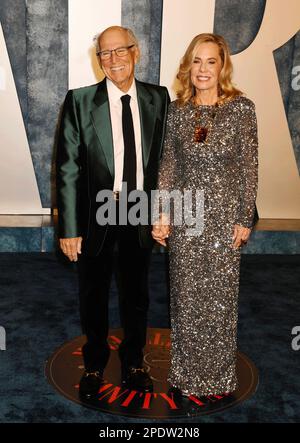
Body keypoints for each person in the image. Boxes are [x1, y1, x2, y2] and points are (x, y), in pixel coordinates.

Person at [56, 25, 170, 398]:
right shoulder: (80, 100)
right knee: (94, 291)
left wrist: (164, 212)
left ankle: (135, 362)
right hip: (96, 212)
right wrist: (69, 227)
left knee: (136, 292)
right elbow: (68, 169)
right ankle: (93, 365)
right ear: (98, 59)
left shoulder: (159, 98)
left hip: (140, 207)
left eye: (121, 50)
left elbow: (168, 163)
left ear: (135, 52)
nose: (113, 59)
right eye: (105, 53)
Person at [152, 33, 258, 397]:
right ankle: (185, 374)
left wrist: (245, 217)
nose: (203, 69)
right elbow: (168, 165)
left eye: (210, 61)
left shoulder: (241, 108)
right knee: (184, 295)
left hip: (224, 219)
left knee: (220, 299)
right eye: (197, 61)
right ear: (188, 66)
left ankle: (217, 376)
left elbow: (249, 166)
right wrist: (161, 213)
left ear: (222, 66)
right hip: (185, 216)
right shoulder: (179, 110)